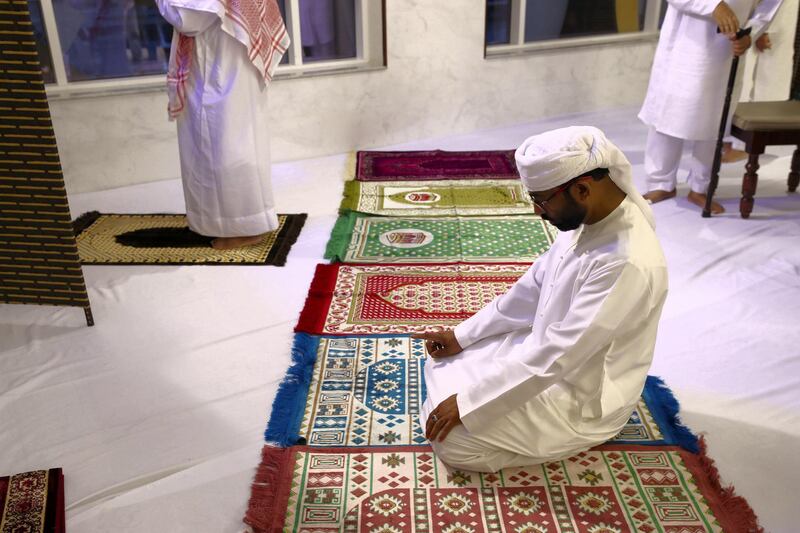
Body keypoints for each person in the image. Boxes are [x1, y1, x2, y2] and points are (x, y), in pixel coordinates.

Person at [414, 126, 668, 473]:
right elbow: (530, 291)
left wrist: (471, 403)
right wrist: (463, 335)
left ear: (582, 189)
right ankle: (491, 416)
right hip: (547, 353)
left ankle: (551, 438)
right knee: (442, 361)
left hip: (583, 395)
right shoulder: (591, 220)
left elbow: (562, 354)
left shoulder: (627, 261)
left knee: (452, 443)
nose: (537, 211)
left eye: (542, 200)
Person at [155, 0, 289, 249]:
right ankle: (245, 221)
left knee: (223, 145)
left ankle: (240, 227)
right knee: (240, 140)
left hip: (219, 68)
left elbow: (189, 19)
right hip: (231, 59)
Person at [639, 0, 782, 214]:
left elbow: (769, 6)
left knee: (715, 117)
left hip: (728, 46)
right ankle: (660, 183)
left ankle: (701, 187)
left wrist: (750, 33)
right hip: (685, 42)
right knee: (670, 111)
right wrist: (713, 5)